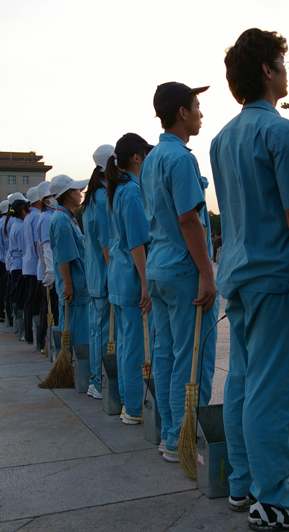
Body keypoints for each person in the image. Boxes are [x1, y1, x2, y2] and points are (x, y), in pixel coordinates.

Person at [209, 27, 289, 529]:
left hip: (239, 272)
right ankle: (273, 496)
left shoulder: (221, 139)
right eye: (282, 64)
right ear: (268, 70)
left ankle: (242, 481)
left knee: (243, 381)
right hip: (274, 275)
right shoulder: (280, 133)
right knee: (275, 389)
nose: (286, 72)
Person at [140, 81, 219, 462]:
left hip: (159, 266)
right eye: (197, 107)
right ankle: (182, 439)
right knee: (193, 359)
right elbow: (189, 220)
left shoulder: (152, 159)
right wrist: (207, 272)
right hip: (183, 269)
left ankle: (170, 434)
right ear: (182, 113)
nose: (202, 114)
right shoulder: (181, 159)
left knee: (167, 355)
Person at [106, 134, 154, 425]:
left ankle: (127, 401)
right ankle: (135, 407)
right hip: (132, 277)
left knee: (126, 343)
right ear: (136, 157)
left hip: (119, 276)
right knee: (135, 345)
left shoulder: (118, 190)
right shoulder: (133, 192)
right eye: (145, 154)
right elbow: (137, 242)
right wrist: (146, 283)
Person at [80, 144, 115, 400]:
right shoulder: (103, 198)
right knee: (103, 332)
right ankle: (100, 380)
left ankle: (96, 378)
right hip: (103, 275)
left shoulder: (92, 198)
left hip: (94, 275)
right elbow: (106, 243)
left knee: (96, 331)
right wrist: (115, 274)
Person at [47, 174, 91, 354]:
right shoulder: (61, 221)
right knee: (75, 331)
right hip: (74, 285)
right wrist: (68, 283)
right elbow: (64, 256)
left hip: (78, 284)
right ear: (69, 194)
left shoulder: (67, 217)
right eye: (78, 191)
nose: (81, 194)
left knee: (77, 328)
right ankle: (71, 362)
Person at [36, 180, 58, 349]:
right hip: (49, 272)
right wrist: (50, 271)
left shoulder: (50, 216)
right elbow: (46, 246)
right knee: (49, 309)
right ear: (45, 200)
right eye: (53, 195)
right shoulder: (46, 218)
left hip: (51, 270)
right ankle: (45, 341)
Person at [21, 188, 43, 344]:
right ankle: (33, 335)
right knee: (35, 303)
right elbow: (37, 244)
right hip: (35, 265)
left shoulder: (28, 216)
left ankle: (29, 333)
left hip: (27, 264)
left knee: (29, 302)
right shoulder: (37, 216)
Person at [5, 195, 28, 329]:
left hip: (15, 265)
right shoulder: (20, 227)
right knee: (21, 299)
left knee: (18, 297)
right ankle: (21, 329)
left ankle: (18, 327)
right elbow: (23, 250)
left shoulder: (15, 224)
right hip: (20, 267)